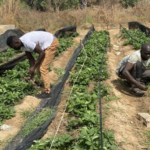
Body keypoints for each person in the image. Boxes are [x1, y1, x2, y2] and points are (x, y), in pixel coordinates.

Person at [6, 31, 59, 99]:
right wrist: (32, 74)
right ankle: (37, 81)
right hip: (47, 44)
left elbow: (42, 53)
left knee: (43, 68)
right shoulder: (22, 45)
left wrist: (33, 67)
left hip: (52, 43)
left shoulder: (26, 42)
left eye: (14, 47)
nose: (14, 49)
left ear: (17, 42)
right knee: (38, 66)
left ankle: (47, 92)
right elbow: (31, 58)